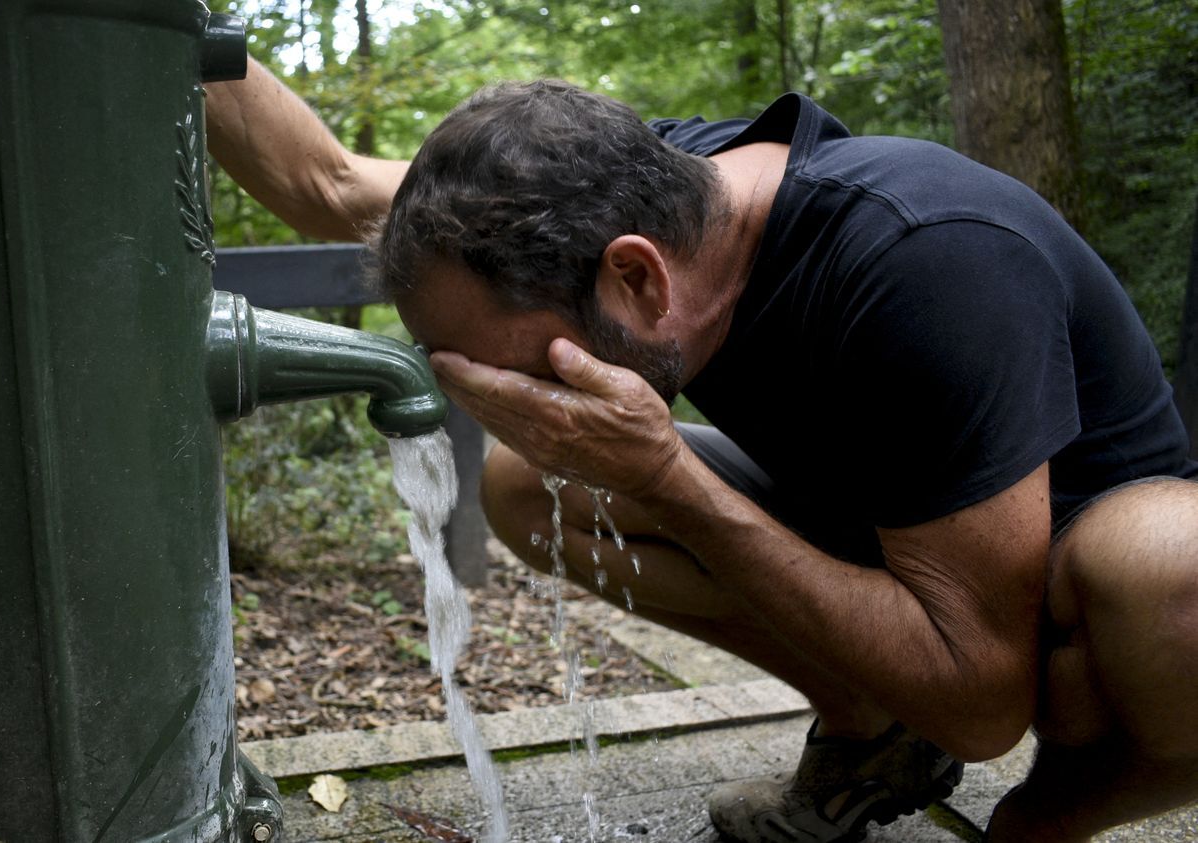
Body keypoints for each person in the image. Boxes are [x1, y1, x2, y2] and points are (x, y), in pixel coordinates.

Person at [207, 57, 1198, 842]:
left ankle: (1057, 813)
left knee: (1170, 582)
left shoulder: (924, 260)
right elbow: (332, 184)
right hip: (888, 526)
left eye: (529, 375)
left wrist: (667, 475)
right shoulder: (631, 196)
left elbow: (980, 711)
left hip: (1081, 589)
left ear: (636, 280)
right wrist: (160, 27)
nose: (515, 405)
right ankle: (866, 723)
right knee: (528, 487)